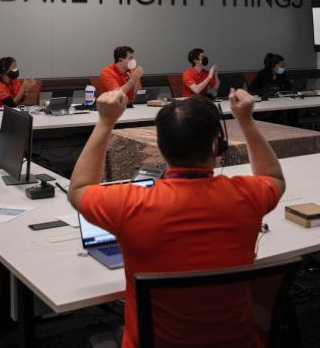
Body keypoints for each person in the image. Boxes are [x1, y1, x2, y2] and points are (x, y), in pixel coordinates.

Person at [69, 88, 285, 348]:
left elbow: (79, 189)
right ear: (217, 145)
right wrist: (246, 121)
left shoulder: (130, 204)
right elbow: (274, 178)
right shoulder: (247, 196)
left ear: (160, 147)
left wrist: (105, 122)